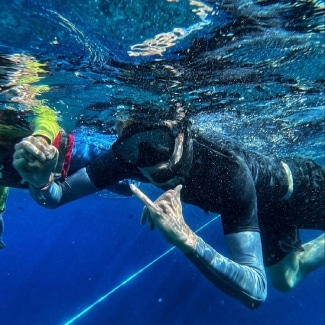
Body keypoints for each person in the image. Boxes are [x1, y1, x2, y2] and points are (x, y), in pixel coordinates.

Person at [13, 116, 324, 309]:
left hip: (300, 190)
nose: (152, 162)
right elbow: (56, 198)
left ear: (181, 132)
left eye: (159, 143)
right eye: (137, 147)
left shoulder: (226, 170)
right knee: (287, 279)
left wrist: (186, 237)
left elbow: (256, 292)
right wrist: (40, 181)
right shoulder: (126, 156)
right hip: (263, 211)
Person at [0, 109, 133, 248]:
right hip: (55, 179)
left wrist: (41, 139)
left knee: (129, 182)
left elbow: (46, 116)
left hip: (76, 151)